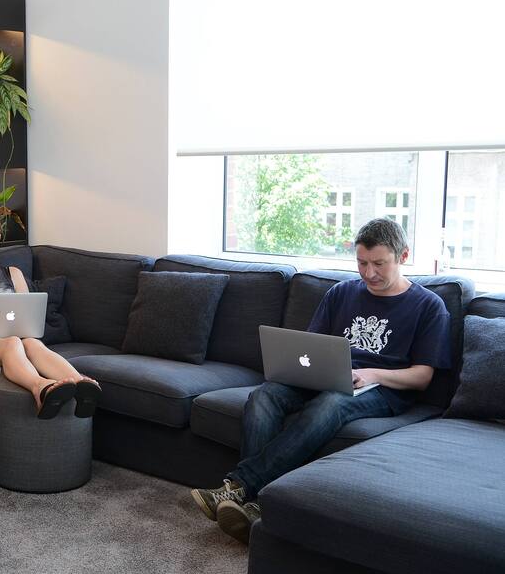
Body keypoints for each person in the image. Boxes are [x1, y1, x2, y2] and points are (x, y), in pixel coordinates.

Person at [190, 217, 451, 543]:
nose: (369, 273)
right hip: (327, 375)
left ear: (404, 256)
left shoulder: (429, 306)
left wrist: (370, 373)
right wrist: (302, 370)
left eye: (379, 264)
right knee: (264, 395)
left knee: (332, 403)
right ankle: (257, 507)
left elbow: (422, 377)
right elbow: (310, 348)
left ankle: (239, 487)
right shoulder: (341, 293)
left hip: (382, 388)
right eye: (362, 262)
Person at [0, 210, 101, 418]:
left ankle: (82, 384)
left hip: (12, 340)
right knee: (13, 342)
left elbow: (28, 321)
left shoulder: (13, 274)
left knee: (31, 342)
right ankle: (41, 388)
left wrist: (24, 330)